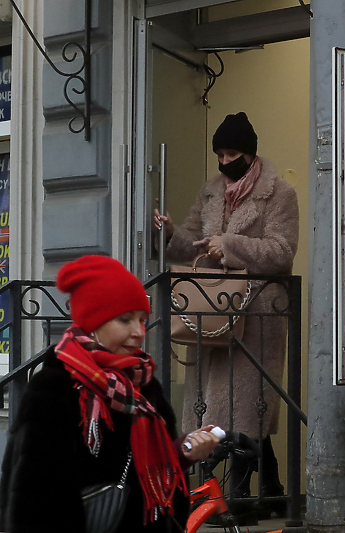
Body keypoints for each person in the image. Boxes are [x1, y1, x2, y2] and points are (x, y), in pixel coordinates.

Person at [0, 255, 220, 532]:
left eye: (142, 319)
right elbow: (33, 497)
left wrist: (183, 453)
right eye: (125, 320)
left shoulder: (145, 383)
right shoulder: (55, 387)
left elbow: (151, 485)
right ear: (93, 324)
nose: (139, 332)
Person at [153, 111, 300, 519]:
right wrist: (169, 234)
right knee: (229, 407)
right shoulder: (211, 192)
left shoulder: (280, 194)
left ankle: (240, 499)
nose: (223, 162)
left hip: (257, 314)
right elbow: (192, 246)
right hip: (212, 312)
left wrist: (230, 245)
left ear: (249, 154)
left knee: (247, 406)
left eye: (231, 153)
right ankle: (270, 490)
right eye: (218, 154)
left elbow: (282, 252)